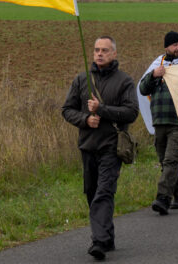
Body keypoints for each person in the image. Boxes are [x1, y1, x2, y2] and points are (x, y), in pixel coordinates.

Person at [62, 36, 139, 260]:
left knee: (104, 193)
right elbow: (67, 110)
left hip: (112, 148)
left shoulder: (124, 81)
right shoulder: (81, 79)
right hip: (88, 146)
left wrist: (102, 109)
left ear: (114, 54)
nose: (99, 54)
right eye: (96, 50)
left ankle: (99, 242)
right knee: (92, 193)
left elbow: (131, 112)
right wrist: (85, 119)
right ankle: (107, 236)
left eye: (104, 50)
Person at [139, 31, 178, 215]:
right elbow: (142, 89)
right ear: (166, 47)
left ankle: (163, 198)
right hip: (159, 121)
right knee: (164, 161)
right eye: (175, 45)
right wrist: (153, 75)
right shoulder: (157, 65)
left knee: (171, 160)